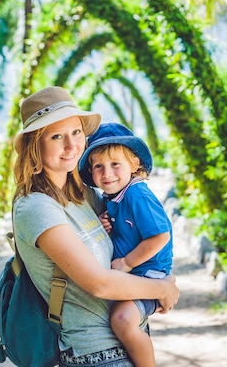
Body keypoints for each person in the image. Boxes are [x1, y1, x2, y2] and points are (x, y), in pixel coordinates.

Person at [12, 86, 179, 367]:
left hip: (127, 339)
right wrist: (162, 289)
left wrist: (162, 276)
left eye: (76, 132)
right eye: (57, 136)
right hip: (92, 355)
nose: (71, 145)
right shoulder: (36, 207)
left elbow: (139, 235)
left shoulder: (85, 195)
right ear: (35, 145)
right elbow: (98, 283)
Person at [78, 122, 173, 367]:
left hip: (147, 273)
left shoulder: (137, 194)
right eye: (98, 166)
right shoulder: (112, 197)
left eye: (115, 164)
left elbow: (160, 236)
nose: (107, 173)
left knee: (122, 319)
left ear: (134, 165)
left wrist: (126, 263)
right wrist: (104, 224)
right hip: (135, 273)